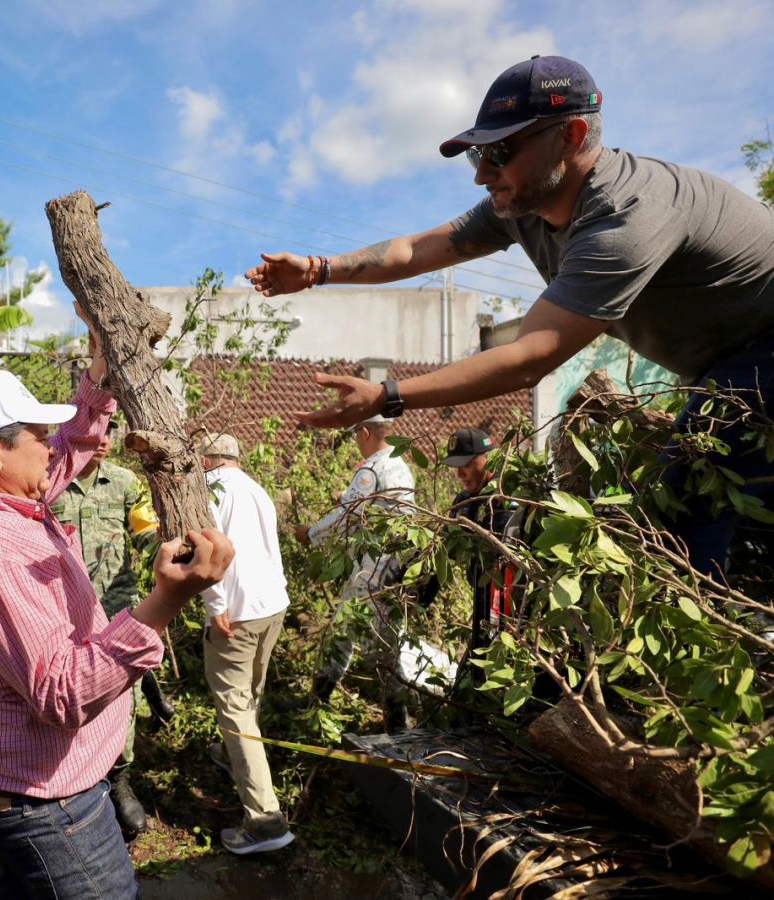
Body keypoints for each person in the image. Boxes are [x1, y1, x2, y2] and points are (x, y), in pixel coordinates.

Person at [246, 54, 774, 579]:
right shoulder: (524, 205)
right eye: (476, 155)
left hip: (762, 349)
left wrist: (387, 396)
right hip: (723, 367)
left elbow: (529, 357)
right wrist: (317, 269)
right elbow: (417, 250)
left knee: (695, 517)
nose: (481, 174)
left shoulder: (624, 215)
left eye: (499, 151)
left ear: (569, 136)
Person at [0, 326, 234, 899]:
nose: (50, 444)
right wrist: (166, 600)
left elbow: (70, 449)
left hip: (31, 786)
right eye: (37, 434)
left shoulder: (10, 500)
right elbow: (63, 693)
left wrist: (98, 378)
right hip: (48, 804)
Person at [50, 417, 172, 840]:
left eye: (110, 435)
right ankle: (74, 776)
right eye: (96, 434)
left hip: (117, 610)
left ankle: (118, 778)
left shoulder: (124, 483)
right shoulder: (49, 482)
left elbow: (144, 534)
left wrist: (168, 548)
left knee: (124, 695)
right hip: (61, 611)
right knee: (66, 692)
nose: (103, 443)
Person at [199, 433, 294, 855]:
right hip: (271, 606)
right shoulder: (257, 489)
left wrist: (215, 603)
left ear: (206, 459)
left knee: (235, 708)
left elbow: (209, 549)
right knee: (249, 696)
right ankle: (231, 754)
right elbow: (271, 551)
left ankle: (264, 821)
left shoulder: (211, 489)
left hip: (235, 613)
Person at [292, 415, 416, 706]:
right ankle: (319, 700)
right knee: (365, 636)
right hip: (395, 566)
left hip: (372, 569)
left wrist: (310, 534)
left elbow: (347, 517)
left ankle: (395, 724)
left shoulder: (372, 469)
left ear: (364, 432)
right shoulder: (400, 465)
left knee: (374, 644)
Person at [436, 428, 521, 651]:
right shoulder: (464, 501)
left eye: (466, 465)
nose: (460, 475)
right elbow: (445, 550)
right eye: (457, 468)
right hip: (481, 604)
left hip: (510, 609)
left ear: (490, 460)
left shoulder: (510, 497)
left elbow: (501, 555)